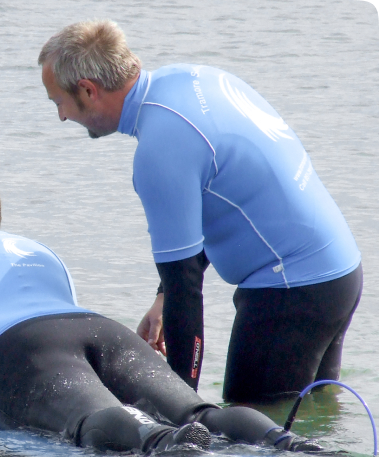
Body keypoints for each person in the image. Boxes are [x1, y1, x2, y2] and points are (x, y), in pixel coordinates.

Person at [0, 168, 321, 454]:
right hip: (100, 330)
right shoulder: (37, 250)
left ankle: (158, 443)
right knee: (201, 413)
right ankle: (285, 442)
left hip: (15, 355)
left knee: (91, 420)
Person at [38, 20, 362, 402]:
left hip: (290, 293)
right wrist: (163, 297)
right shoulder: (191, 79)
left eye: (58, 102)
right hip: (339, 273)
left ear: (88, 91)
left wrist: (181, 411)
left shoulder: (160, 150)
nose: (61, 117)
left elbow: (185, 292)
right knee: (305, 429)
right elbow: (221, 198)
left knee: (253, 444)